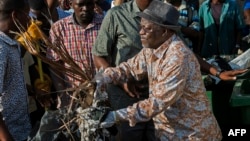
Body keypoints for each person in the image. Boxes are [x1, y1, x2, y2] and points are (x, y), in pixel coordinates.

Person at [95, 1, 222, 140]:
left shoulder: (178, 57)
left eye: (147, 29)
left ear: (164, 31)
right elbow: (130, 67)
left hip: (191, 134)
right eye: (141, 27)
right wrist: (104, 77)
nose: (140, 32)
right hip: (170, 133)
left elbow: (156, 103)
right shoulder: (151, 49)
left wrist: (116, 116)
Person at [92, 0, 157, 140]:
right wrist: (121, 81)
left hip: (157, 95)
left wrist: (213, 69)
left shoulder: (162, 14)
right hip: (125, 97)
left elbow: (178, 47)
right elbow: (99, 56)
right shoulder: (116, 15)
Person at [47, 0, 104, 108]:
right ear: (71, 4)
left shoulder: (105, 24)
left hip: (102, 95)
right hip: (73, 98)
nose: (86, 8)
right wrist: (63, 94)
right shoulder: (59, 28)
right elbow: (54, 64)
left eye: (89, 4)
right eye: (81, 5)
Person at [0, 0, 31, 140]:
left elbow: (9, 83)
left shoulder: (12, 43)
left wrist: (31, 91)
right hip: (8, 133)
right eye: (27, 14)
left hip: (20, 131)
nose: (30, 20)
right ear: (15, 15)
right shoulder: (1, 48)